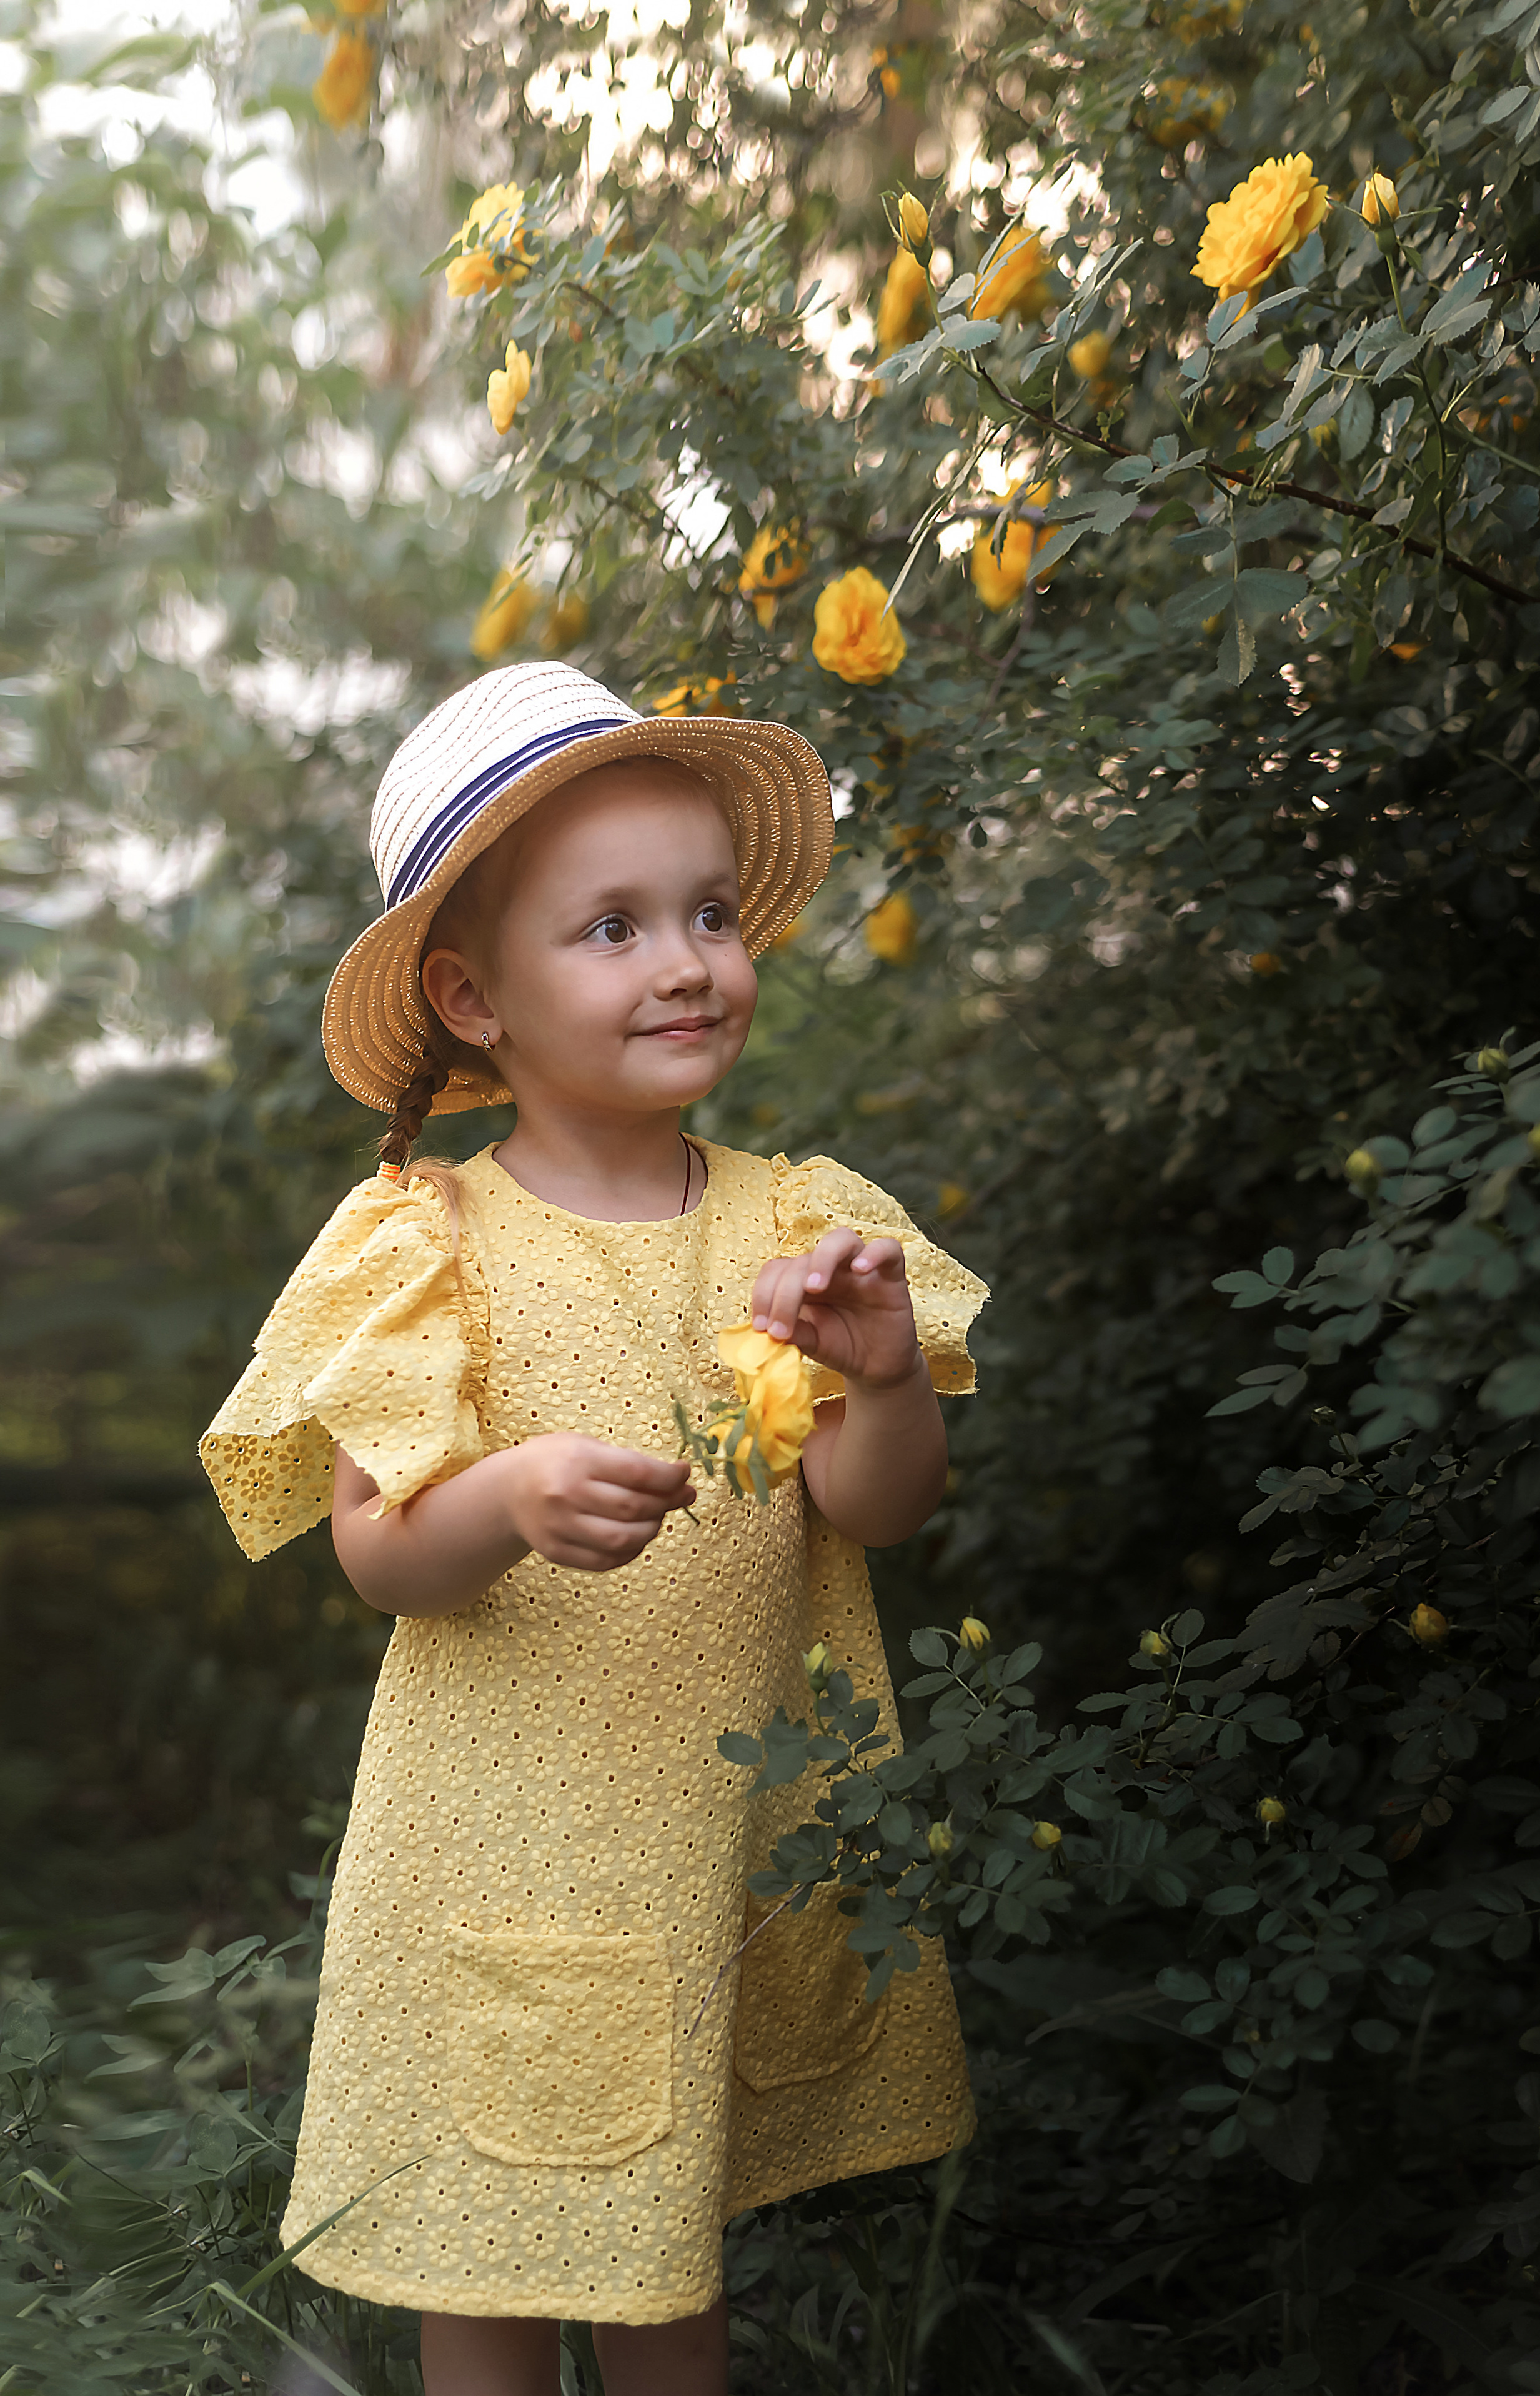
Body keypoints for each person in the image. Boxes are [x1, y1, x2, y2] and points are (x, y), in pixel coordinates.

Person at [201, 660, 988, 2396]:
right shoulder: (428, 1244)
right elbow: (375, 1550)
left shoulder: (807, 1224)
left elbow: (878, 1505)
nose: (689, 959)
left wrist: (882, 1380)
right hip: (503, 1838)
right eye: (613, 928)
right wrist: (499, 1499)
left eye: (708, 911)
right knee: (482, 2232)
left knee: (662, 2244)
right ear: (474, 997)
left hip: (712, 1826)